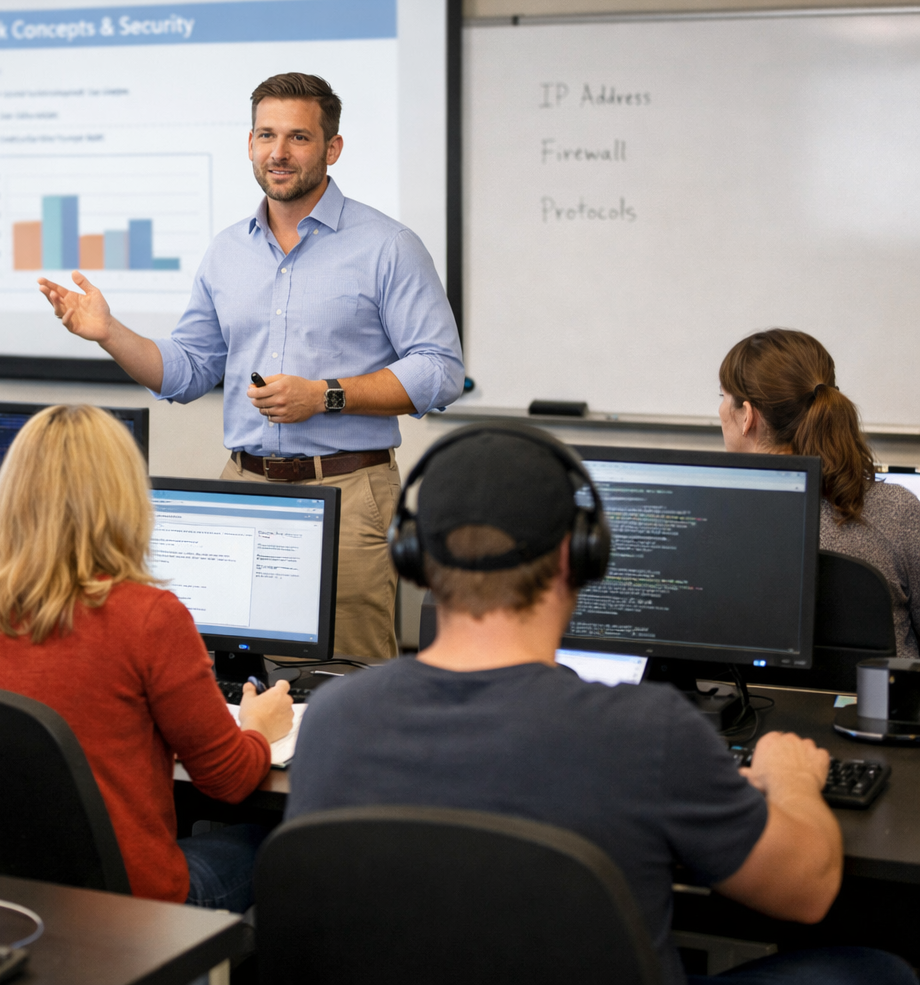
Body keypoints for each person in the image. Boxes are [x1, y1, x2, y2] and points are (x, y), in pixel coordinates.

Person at [286, 426, 915, 985]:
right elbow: (806, 891)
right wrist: (794, 781)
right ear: (579, 557)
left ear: (415, 558)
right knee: (875, 969)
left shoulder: (336, 717)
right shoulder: (648, 732)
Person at [40, 73, 464, 661]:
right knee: (231, 676)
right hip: (242, 491)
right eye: (266, 135)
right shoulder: (226, 251)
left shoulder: (388, 246)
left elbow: (440, 370)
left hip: (345, 491)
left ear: (331, 149)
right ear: (249, 144)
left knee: (342, 683)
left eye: (298, 138)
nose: (279, 153)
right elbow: (186, 371)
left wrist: (325, 396)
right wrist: (109, 333)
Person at [0, 405, 295, 911]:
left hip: (12, 892)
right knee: (280, 838)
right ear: (125, 497)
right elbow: (230, 780)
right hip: (132, 906)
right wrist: (260, 727)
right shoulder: (147, 615)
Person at [719, 328, 920, 658]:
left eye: (723, 398)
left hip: (750, 705)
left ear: (747, 417)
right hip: (873, 707)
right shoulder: (898, 511)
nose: (720, 411)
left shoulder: (710, 518)